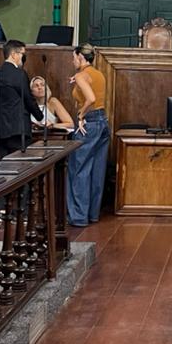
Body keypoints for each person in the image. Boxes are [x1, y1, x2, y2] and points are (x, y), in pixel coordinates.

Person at [66, 45, 109, 226]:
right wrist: (77, 81)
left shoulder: (81, 75)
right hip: (102, 121)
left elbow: (90, 99)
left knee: (79, 169)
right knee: (96, 170)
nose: (72, 61)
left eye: (74, 57)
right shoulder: (98, 74)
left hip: (88, 123)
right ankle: (92, 214)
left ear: (80, 57)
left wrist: (81, 115)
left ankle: (78, 216)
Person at [0, 39, 42, 157]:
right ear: (13, 54)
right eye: (22, 54)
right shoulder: (19, 74)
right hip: (18, 130)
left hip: (0, 130)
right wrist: (40, 117)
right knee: (19, 165)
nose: (23, 57)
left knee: (2, 165)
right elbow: (28, 99)